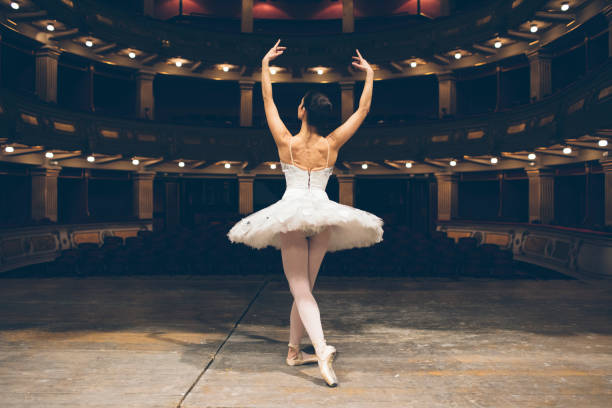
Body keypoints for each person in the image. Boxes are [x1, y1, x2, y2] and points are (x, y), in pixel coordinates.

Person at [227, 39, 383, 387]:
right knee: (306, 288)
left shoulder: (287, 142)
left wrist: (265, 63)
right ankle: (294, 351)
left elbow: (266, 100)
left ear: (301, 112)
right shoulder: (333, 143)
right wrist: (370, 74)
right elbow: (362, 112)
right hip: (324, 213)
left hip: (293, 211)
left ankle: (322, 348)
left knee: (300, 288)